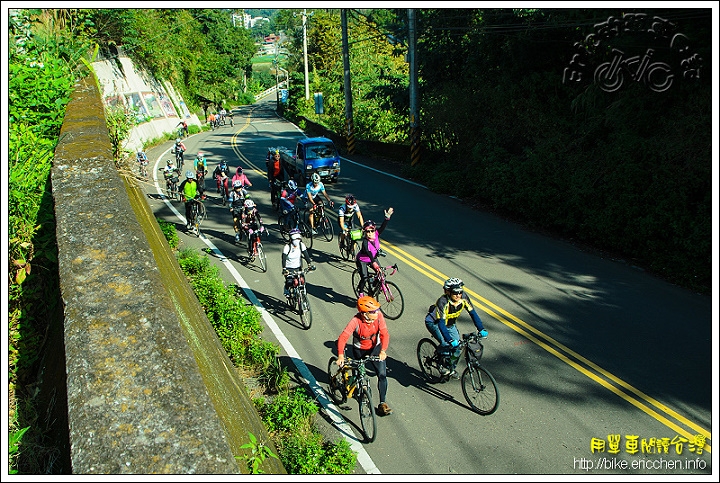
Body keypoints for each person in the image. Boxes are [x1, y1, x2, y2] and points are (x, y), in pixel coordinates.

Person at [336, 295, 393, 416]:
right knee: (360, 375)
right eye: (373, 311)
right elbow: (343, 337)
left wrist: (383, 350)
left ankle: (382, 403)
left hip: (375, 349)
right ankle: (358, 390)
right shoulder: (356, 321)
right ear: (365, 314)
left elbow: (384, 334)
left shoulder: (378, 317)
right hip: (360, 351)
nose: (377, 313)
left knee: (382, 375)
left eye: (377, 310)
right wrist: (340, 355)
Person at [424, 278, 489, 378]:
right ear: (448, 292)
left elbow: (473, 314)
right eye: (455, 293)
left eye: (460, 292)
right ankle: (441, 363)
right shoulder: (443, 302)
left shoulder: (463, 298)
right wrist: (449, 340)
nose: (458, 295)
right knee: (446, 343)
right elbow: (441, 324)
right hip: (434, 323)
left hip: (450, 324)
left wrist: (481, 329)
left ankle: (451, 368)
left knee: (458, 348)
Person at [355, 207, 394, 297]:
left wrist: (387, 218)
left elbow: (382, 228)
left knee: (381, 273)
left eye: (372, 230)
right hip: (362, 260)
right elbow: (368, 252)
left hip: (373, 258)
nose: (370, 233)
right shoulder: (365, 242)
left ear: (374, 230)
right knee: (364, 278)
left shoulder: (376, 234)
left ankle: (375, 284)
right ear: (365, 232)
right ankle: (360, 292)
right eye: (367, 231)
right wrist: (373, 263)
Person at [281, 228, 315, 297]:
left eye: (298, 239)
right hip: (289, 268)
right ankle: (286, 288)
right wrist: (284, 269)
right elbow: (283, 258)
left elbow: (306, 255)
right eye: (295, 239)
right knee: (290, 282)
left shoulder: (301, 245)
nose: (297, 241)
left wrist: (309, 264)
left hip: (298, 267)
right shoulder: (287, 247)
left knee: (302, 281)